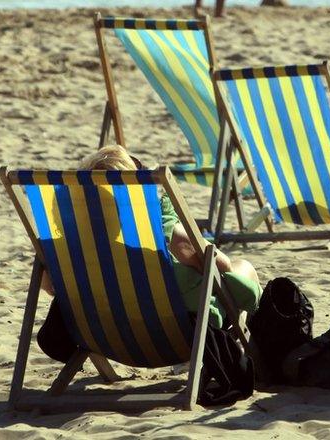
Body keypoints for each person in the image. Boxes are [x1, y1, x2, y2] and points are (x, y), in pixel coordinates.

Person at [38, 145, 262, 363]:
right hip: (172, 340)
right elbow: (219, 265)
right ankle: (261, 354)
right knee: (243, 267)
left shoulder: (65, 250)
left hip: (103, 340)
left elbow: (50, 287)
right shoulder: (156, 231)